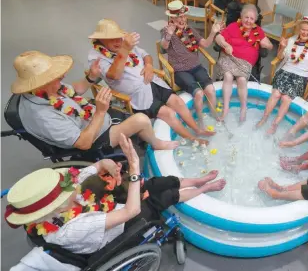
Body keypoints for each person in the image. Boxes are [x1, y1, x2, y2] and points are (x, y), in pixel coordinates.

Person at [7, 134, 226, 270]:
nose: (72, 183)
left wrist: (107, 164)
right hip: (119, 225)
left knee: (159, 182)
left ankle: (199, 180)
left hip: (107, 207)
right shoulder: (71, 228)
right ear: (59, 206)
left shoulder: (63, 196)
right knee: (163, 196)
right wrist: (134, 169)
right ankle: (206, 187)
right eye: (67, 188)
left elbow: (90, 170)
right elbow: (131, 211)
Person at [12, 51, 178, 152]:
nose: (62, 77)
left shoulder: (46, 90)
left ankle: (140, 137)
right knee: (141, 119)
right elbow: (83, 143)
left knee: (134, 114)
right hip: (93, 139)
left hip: (93, 118)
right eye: (56, 77)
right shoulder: (43, 116)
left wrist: (91, 76)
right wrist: (99, 112)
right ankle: (156, 144)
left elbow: (74, 90)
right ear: (42, 83)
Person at [88, 19, 213, 145]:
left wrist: (148, 65)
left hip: (153, 82)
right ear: (101, 40)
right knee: (168, 113)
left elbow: (146, 55)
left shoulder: (125, 43)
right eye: (112, 39)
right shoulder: (97, 58)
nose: (117, 41)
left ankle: (197, 130)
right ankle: (193, 139)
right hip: (137, 95)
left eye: (118, 37)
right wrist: (125, 49)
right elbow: (114, 75)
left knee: (178, 102)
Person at [160, 0, 222, 124]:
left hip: (196, 66)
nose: (182, 19)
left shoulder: (190, 30)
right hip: (180, 70)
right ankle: (200, 120)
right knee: (198, 93)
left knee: (210, 88)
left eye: (183, 16)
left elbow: (204, 43)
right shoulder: (167, 31)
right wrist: (169, 35)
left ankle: (214, 114)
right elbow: (164, 46)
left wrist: (213, 33)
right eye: (178, 17)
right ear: (171, 18)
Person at [215, 4, 274, 122]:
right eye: (246, 17)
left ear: (255, 20)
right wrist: (226, 45)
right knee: (228, 76)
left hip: (245, 63)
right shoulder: (233, 26)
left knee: (242, 80)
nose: (248, 21)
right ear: (241, 17)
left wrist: (265, 44)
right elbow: (218, 38)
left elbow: (271, 46)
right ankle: (226, 107)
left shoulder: (258, 31)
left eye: (252, 19)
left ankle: (243, 108)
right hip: (229, 57)